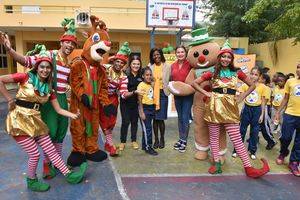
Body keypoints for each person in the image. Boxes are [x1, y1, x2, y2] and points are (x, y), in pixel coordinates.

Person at [0, 47, 87, 192]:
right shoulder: (25, 77)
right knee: (34, 154)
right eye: (42, 66)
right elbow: (1, 80)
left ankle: (69, 175)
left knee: (51, 150)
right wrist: (9, 99)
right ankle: (31, 181)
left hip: (36, 120)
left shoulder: (49, 89)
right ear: (37, 67)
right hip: (19, 120)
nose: (45, 70)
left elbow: (58, 109)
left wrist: (73, 115)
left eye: (48, 67)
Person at [0, 19, 77, 179]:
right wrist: (10, 50)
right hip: (47, 99)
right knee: (50, 132)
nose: (69, 46)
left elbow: (67, 82)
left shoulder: (68, 63)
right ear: (61, 42)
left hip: (61, 99)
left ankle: (57, 163)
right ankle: (47, 165)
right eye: (67, 43)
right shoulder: (49, 55)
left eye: (72, 44)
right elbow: (26, 61)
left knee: (61, 133)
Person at [192, 40, 269, 178]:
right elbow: (194, 83)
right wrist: (207, 93)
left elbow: (252, 85)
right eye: (223, 56)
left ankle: (248, 167)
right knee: (214, 137)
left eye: (228, 57)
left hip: (230, 108)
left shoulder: (237, 73)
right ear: (219, 57)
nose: (225, 59)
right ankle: (216, 164)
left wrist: (242, 97)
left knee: (237, 138)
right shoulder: (211, 73)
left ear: (231, 59)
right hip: (214, 107)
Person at [99, 42, 142, 156]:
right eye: (117, 61)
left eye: (122, 62)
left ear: (124, 65)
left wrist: (133, 92)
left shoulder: (123, 77)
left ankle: (109, 143)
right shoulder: (105, 67)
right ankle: (94, 147)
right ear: (114, 61)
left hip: (112, 99)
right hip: (98, 97)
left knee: (110, 123)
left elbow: (122, 94)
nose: (119, 64)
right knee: (94, 122)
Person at [233, 66, 266, 160]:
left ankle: (252, 151)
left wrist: (262, 114)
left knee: (254, 132)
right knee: (241, 130)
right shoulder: (244, 85)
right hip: (246, 109)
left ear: (259, 76)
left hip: (257, 110)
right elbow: (239, 95)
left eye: (256, 75)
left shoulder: (263, 87)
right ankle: (237, 150)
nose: (253, 76)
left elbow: (263, 101)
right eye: (252, 74)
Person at [274, 63, 300, 176]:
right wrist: (278, 112)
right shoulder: (290, 82)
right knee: (285, 137)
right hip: (290, 114)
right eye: (298, 67)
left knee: (299, 141)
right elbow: (285, 98)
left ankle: (294, 162)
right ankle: (283, 152)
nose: (298, 69)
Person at [171, 45, 193, 152]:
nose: (180, 54)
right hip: (177, 95)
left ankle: (184, 140)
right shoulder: (173, 65)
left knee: (185, 117)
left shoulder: (190, 64)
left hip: (188, 95)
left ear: (186, 53)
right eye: (178, 52)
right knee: (180, 117)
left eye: (182, 52)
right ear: (175, 54)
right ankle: (180, 138)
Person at [119, 55, 143, 151]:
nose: (136, 66)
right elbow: (122, 93)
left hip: (136, 103)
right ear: (130, 64)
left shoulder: (141, 76)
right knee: (125, 121)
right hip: (125, 102)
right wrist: (134, 92)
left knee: (134, 122)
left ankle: (134, 140)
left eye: (138, 64)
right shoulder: (125, 75)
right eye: (134, 64)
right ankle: (123, 141)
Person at [149, 48, 171, 149]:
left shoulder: (167, 66)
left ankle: (162, 139)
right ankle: (156, 140)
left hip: (163, 94)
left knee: (161, 119)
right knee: (155, 119)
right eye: (154, 55)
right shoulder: (150, 66)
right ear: (152, 57)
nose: (156, 56)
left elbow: (171, 79)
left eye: (158, 54)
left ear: (161, 55)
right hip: (153, 94)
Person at [137, 67, 157, 155]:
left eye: (150, 75)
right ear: (143, 76)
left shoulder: (150, 84)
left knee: (147, 128)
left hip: (151, 108)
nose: (149, 76)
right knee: (147, 129)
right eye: (146, 75)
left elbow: (155, 80)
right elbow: (139, 100)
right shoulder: (141, 85)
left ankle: (145, 146)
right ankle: (149, 147)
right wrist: (141, 112)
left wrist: (152, 80)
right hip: (144, 109)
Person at [259, 73, 277, 150]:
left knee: (264, 126)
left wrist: (262, 111)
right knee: (256, 125)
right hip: (257, 107)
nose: (258, 79)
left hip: (265, 107)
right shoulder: (258, 86)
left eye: (260, 77)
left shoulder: (266, 88)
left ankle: (271, 141)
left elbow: (265, 100)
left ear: (264, 80)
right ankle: (254, 138)